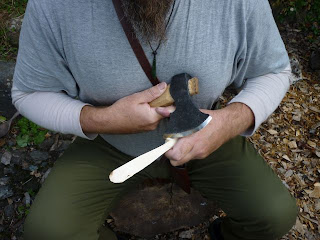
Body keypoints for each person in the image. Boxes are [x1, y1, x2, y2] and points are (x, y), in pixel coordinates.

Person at [11, 0, 298, 239]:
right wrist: (103, 120)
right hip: (109, 143)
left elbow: (273, 71)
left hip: (202, 133)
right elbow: (29, 93)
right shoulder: (55, 6)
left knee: (274, 214)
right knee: (48, 232)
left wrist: (231, 121)